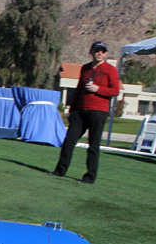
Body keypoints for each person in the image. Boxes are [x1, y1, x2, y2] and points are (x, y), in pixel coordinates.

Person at [50, 41, 121, 184]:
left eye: (102, 51)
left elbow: (115, 90)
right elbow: (78, 89)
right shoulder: (85, 68)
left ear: (106, 54)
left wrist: (98, 89)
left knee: (93, 145)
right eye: (97, 50)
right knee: (69, 141)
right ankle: (60, 171)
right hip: (80, 111)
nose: (99, 53)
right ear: (91, 52)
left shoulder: (110, 70)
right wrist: (72, 109)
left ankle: (89, 177)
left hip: (98, 112)